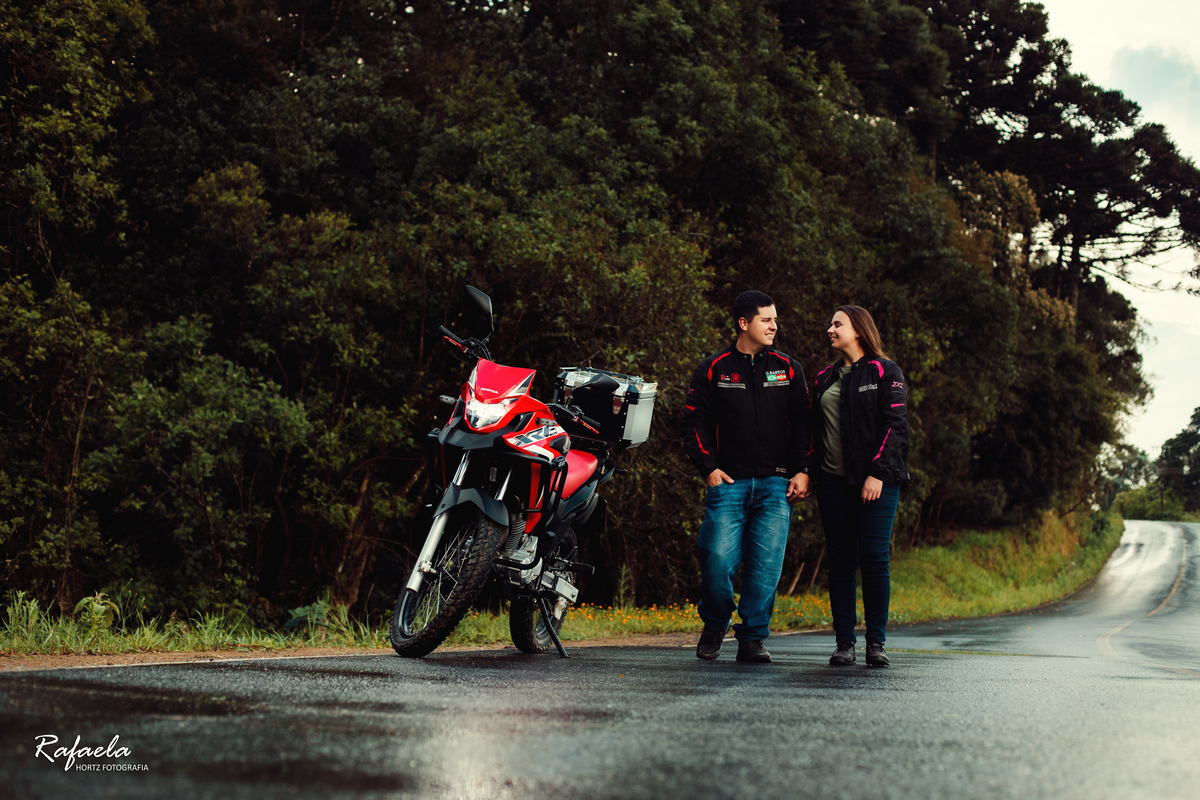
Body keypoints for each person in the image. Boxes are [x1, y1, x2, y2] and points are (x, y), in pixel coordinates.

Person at [682, 291, 812, 663]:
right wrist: (708, 468)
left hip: (776, 485)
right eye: (766, 320)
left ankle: (752, 638)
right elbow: (693, 421)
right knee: (716, 558)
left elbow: (804, 422)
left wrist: (802, 470)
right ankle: (715, 623)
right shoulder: (714, 368)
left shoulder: (788, 368)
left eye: (775, 319)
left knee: (765, 568)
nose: (774, 326)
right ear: (744, 323)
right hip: (728, 483)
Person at [810, 305, 908, 667]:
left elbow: (896, 425)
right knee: (840, 563)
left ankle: (876, 643)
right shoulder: (824, 378)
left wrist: (877, 473)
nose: (830, 329)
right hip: (832, 484)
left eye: (837, 324)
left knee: (874, 559)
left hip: (878, 484)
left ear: (859, 330)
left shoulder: (885, 371)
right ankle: (844, 644)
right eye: (830, 323)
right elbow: (812, 431)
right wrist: (807, 471)